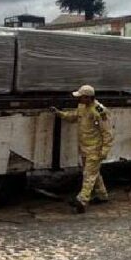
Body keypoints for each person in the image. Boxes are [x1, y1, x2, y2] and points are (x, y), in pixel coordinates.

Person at [52, 84, 114, 213]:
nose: (78, 99)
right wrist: (60, 114)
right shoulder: (82, 107)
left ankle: (82, 200)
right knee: (93, 173)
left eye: (81, 97)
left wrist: (104, 150)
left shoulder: (99, 111)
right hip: (85, 147)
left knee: (88, 174)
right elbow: (74, 116)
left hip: (95, 149)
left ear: (88, 98)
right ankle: (102, 195)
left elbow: (107, 132)